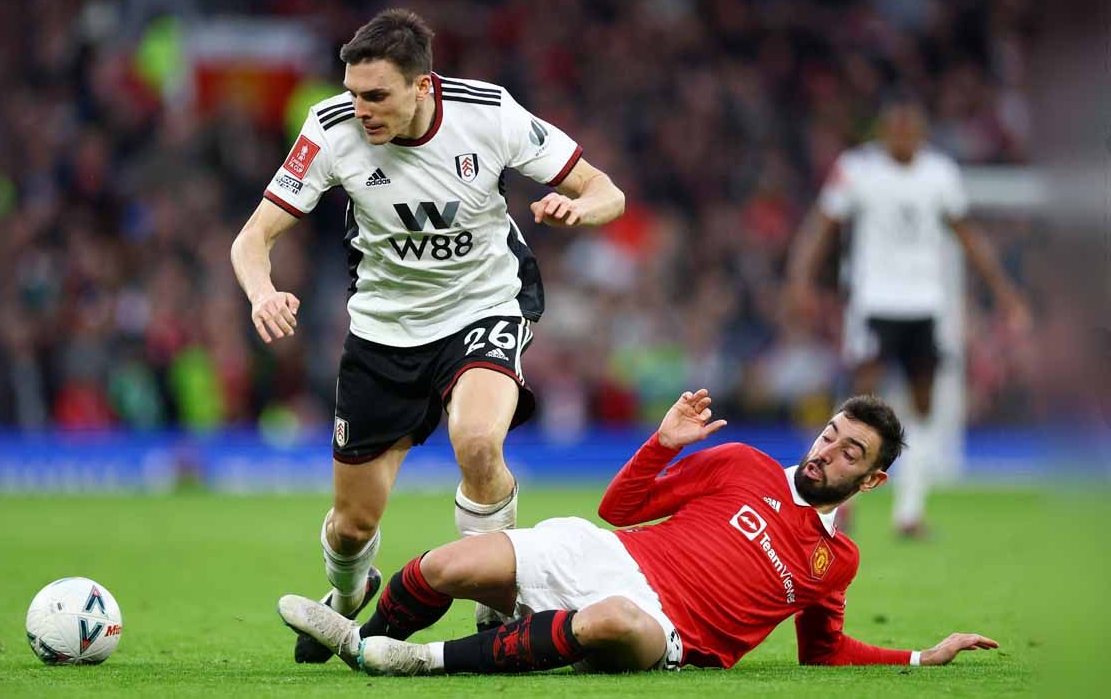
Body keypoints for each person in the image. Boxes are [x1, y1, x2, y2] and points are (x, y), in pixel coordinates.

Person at [230, 9, 625, 662]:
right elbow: (252, 239)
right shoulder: (330, 129)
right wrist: (262, 292)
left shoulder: (489, 113)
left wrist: (579, 207)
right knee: (352, 526)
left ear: (424, 85)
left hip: (485, 305)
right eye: (354, 93)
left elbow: (605, 190)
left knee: (475, 442)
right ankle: (350, 592)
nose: (362, 110)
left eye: (377, 95)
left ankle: (496, 603)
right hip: (383, 328)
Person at [277, 389, 999, 675]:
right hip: (611, 550)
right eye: (831, 435)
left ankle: (412, 660)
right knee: (443, 565)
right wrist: (662, 442)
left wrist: (917, 658)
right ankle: (357, 634)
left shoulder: (834, 561)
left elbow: (825, 652)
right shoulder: (742, 463)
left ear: (871, 481)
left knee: (611, 619)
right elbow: (621, 510)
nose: (827, 452)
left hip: (666, 628)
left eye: (850, 453)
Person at [785, 94, 1031, 537]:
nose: (904, 138)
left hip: (925, 307)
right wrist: (800, 277)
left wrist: (1004, 291)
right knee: (861, 403)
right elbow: (823, 224)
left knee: (922, 406)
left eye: (911, 130)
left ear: (921, 134)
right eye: (896, 130)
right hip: (875, 304)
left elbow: (966, 234)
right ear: (883, 133)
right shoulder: (858, 170)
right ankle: (837, 504)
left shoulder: (939, 174)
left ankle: (910, 511)